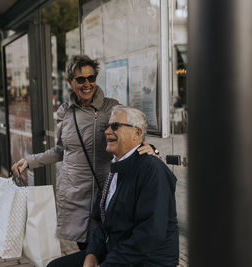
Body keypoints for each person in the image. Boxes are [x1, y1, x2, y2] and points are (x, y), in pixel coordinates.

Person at [11, 55, 156, 249]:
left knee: (107, 244)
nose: (87, 84)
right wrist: (30, 161)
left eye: (91, 78)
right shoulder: (65, 111)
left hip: (103, 187)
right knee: (84, 246)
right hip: (74, 190)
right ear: (70, 81)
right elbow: (62, 150)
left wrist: (150, 149)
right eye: (81, 79)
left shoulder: (111, 107)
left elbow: (131, 137)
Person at [47, 106, 179, 267]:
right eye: (107, 126)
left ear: (137, 133)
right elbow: (103, 221)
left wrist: (109, 264)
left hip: (146, 261)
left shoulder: (152, 170)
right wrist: (92, 253)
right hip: (117, 253)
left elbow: (150, 234)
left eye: (115, 126)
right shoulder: (117, 166)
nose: (108, 131)